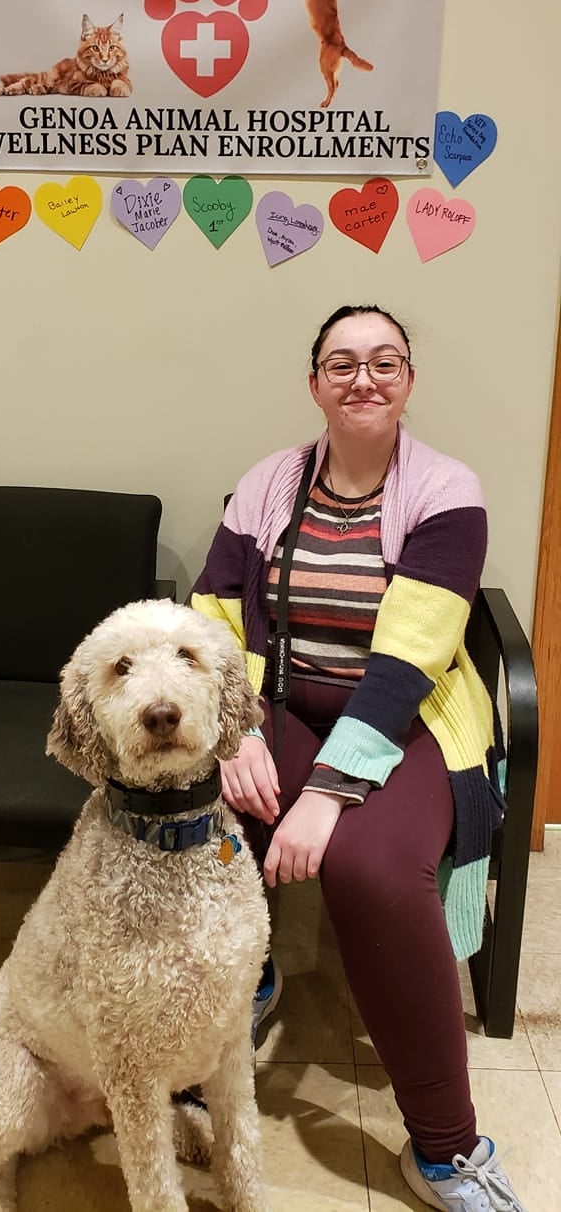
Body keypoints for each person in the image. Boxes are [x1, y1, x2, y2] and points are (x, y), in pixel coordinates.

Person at [190, 304, 526, 1212]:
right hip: (278, 703)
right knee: (200, 814)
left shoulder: (446, 489)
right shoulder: (268, 481)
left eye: (384, 361)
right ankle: (245, 981)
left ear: (408, 380)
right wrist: (239, 731)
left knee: (370, 870)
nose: (363, 378)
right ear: (315, 385)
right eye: (342, 363)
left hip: (408, 717)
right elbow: (214, 610)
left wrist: (327, 795)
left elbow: (411, 660)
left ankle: (446, 1150)